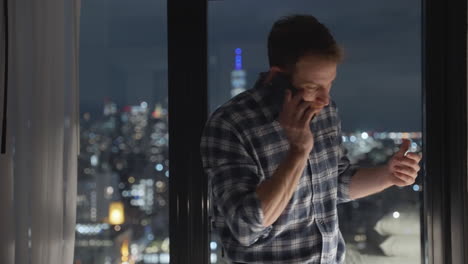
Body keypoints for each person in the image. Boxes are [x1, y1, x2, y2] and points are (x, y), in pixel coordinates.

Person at [200, 14, 421, 264]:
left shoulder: (325, 113)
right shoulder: (232, 125)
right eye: (313, 87)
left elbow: (335, 184)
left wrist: (388, 175)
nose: (324, 99)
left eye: (330, 84)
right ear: (277, 77)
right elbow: (247, 226)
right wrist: (297, 151)